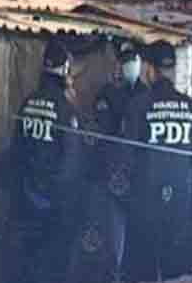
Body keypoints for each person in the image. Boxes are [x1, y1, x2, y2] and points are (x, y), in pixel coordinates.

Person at [121, 40, 192, 282]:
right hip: (180, 206)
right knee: (175, 272)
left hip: (144, 206)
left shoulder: (138, 106)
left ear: (149, 69)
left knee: (142, 272)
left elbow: (125, 157)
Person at [67, 41, 148, 283]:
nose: (129, 66)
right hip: (110, 179)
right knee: (110, 243)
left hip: (140, 181)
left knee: (137, 245)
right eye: (126, 61)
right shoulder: (108, 94)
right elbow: (103, 135)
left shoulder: (146, 93)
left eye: (133, 60)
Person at [10, 37, 87, 283]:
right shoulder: (66, 109)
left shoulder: (27, 103)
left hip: (26, 200)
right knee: (54, 268)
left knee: (26, 266)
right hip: (55, 206)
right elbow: (72, 163)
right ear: (65, 72)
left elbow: (16, 152)